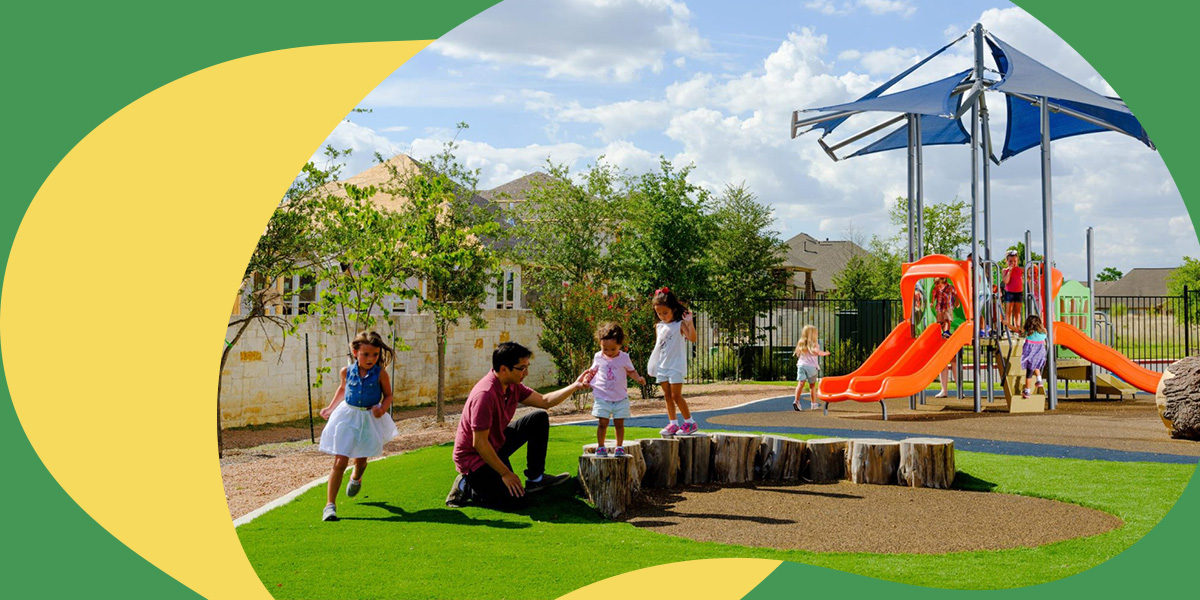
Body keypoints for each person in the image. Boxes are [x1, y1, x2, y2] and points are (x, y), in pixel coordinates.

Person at [445, 342, 592, 509]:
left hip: (495, 445)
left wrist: (576, 386)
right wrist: (505, 473)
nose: (526, 373)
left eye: (527, 367)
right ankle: (466, 483)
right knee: (515, 501)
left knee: (539, 418)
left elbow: (545, 402)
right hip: (475, 457)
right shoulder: (484, 395)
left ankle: (536, 479)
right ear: (503, 369)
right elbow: (479, 443)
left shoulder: (513, 386)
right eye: (522, 368)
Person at [317, 331, 398, 522]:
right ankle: (330, 506)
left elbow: (388, 396)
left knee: (360, 461)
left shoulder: (381, 374)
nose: (371, 359)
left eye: (375, 355)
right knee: (340, 461)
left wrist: (382, 409)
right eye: (366, 354)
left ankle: (356, 477)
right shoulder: (346, 371)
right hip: (346, 416)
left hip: (368, 418)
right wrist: (329, 408)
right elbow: (343, 389)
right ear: (355, 352)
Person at [646, 287, 699, 436]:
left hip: (676, 365)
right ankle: (673, 423)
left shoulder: (679, 325)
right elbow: (659, 347)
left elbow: (692, 338)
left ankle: (690, 422)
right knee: (667, 396)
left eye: (665, 313)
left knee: (676, 395)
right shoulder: (659, 326)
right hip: (663, 366)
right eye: (659, 313)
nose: (662, 316)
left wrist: (689, 323)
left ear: (673, 309)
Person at [587, 323, 646, 456]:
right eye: (605, 349)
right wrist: (587, 380)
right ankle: (601, 447)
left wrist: (638, 378)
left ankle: (619, 446)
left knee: (619, 423)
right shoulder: (598, 357)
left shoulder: (624, 357)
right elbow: (592, 371)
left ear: (620, 344)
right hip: (602, 396)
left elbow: (631, 371)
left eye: (612, 349)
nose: (608, 352)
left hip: (620, 397)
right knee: (602, 422)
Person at [792, 324, 830, 411]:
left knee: (800, 383)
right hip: (811, 367)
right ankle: (813, 404)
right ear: (813, 335)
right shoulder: (814, 344)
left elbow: (797, 353)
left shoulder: (801, 343)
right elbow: (816, 352)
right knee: (812, 386)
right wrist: (825, 353)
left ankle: (796, 401)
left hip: (801, 365)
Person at [1021, 315, 1048, 399]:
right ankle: (1039, 380)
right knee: (1036, 365)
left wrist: (1007, 324)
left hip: (1030, 355)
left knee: (1029, 373)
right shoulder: (1043, 332)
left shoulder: (1028, 332)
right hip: (1041, 354)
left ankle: (1027, 391)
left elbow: (1018, 330)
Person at [1001, 250, 1024, 333]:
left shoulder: (1020, 270)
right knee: (1008, 311)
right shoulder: (1005, 270)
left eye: (1015, 261)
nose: (1013, 263)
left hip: (1019, 292)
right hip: (1009, 292)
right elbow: (1006, 281)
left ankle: (1017, 328)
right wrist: (1010, 271)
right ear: (1007, 261)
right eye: (1010, 261)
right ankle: (1007, 329)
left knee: (1017, 312)